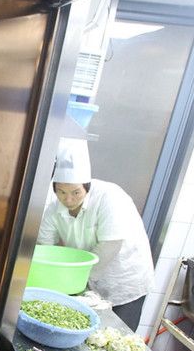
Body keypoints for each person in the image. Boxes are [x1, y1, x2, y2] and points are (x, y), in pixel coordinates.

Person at [36, 138, 155, 330]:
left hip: (123, 280)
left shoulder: (109, 197)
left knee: (115, 336)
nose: (68, 199)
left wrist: (76, 287)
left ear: (87, 187)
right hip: (86, 281)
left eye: (76, 192)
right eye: (61, 192)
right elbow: (45, 248)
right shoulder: (53, 208)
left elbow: (110, 246)